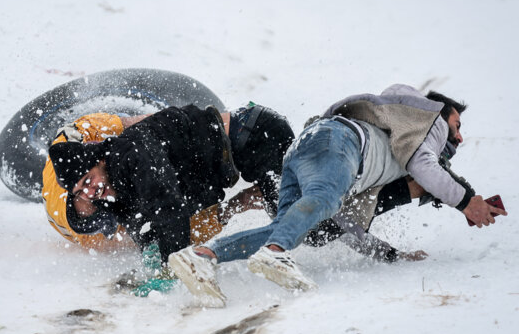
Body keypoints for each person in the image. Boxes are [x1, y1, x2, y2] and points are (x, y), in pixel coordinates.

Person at [169, 84, 507, 304]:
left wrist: (393, 256)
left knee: (289, 227)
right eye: (458, 126)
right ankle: (275, 253)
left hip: (306, 146)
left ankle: (202, 256)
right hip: (340, 142)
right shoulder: (430, 120)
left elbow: (351, 228)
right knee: (323, 200)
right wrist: (467, 202)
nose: (459, 138)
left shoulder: (395, 148)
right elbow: (426, 165)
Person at [48, 104, 295, 263]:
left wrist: (171, 265)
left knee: (298, 225)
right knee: (292, 218)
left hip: (256, 135)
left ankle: (327, 130)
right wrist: (151, 257)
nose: (92, 192)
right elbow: (150, 229)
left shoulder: (131, 152)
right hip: (245, 156)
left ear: (99, 160)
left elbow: (167, 207)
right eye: (83, 192)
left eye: (88, 181)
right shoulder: (121, 191)